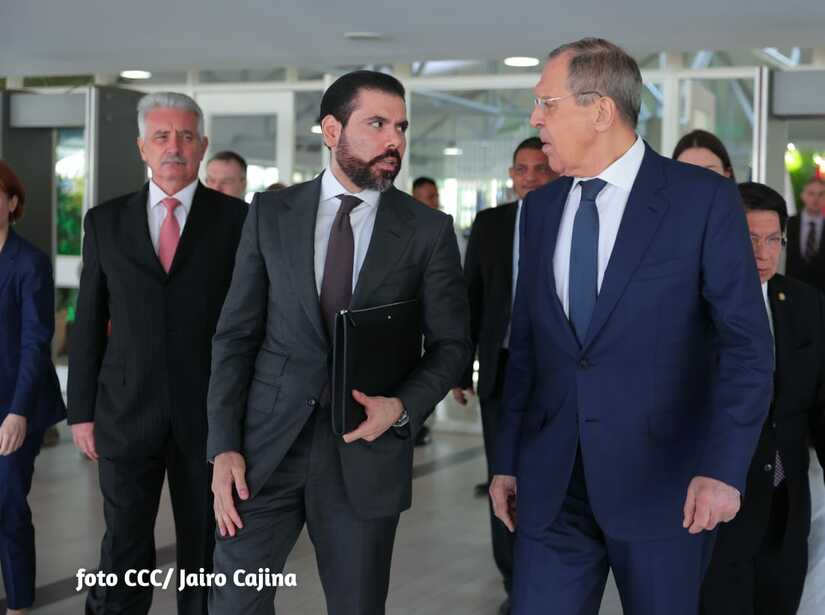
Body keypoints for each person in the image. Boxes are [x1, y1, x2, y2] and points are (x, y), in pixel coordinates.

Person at [489, 38, 773, 615]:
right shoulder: (540, 211)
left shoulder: (701, 200)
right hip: (553, 487)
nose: (535, 119)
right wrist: (508, 460)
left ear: (600, 111)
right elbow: (529, 349)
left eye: (547, 103)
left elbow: (746, 347)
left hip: (666, 487)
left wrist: (723, 469)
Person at [206, 70, 470, 615]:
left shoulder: (428, 230)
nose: (394, 140)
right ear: (332, 130)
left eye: (401, 127)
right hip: (264, 454)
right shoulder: (270, 214)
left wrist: (402, 407)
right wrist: (224, 445)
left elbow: (452, 346)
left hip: (365, 454)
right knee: (233, 603)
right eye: (377, 124)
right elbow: (235, 336)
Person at [67, 92, 247, 615]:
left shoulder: (239, 220)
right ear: (142, 147)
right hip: (125, 413)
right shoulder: (105, 222)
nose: (175, 147)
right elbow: (88, 322)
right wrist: (81, 412)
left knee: (206, 548)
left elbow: (253, 322)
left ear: (203, 146)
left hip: (210, 417)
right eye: (162, 136)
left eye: (186, 137)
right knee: (123, 548)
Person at [700, 182, 825, 615]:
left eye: (773, 240)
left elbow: (821, 403)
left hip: (786, 502)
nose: (763, 253)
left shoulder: (806, 304)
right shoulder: (695, 305)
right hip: (719, 504)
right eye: (750, 239)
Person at [451, 135, 556, 614]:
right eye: (522, 169)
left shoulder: (571, 219)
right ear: (511, 175)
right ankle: (516, 580)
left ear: (555, 172)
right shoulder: (491, 224)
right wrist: (461, 367)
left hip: (556, 370)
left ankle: (550, 572)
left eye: (540, 168)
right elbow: (470, 295)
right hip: (503, 366)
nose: (530, 178)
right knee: (503, 474)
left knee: (550, 476)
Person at [0, 160, 66, 615]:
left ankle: (20, 604)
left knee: (7, 503)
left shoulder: (29, 263)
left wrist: (18, 412)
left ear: (12, 203)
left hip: (15, 404)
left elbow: (35, 342)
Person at [786, 177, 825, 291]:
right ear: (803, 195)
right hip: (792, 288)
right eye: (811, 193)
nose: (816, 199)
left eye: (821, 194)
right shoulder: (788, 223)